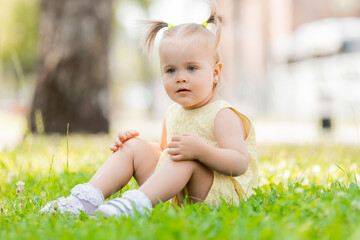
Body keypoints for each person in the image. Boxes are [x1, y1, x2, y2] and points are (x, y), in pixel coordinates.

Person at [40, 2, 258, 217]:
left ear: (215, 73)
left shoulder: (222, 114)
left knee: (186, 156)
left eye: (192, 68)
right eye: (171, 70)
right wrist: (137, 146)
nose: (181, 77)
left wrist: (200, 151)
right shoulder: (173, 112)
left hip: (214, 197)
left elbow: (239, 163)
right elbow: (164, 153)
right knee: (135, 146)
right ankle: (84, 200)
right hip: (178, 192)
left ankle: (135, 204)